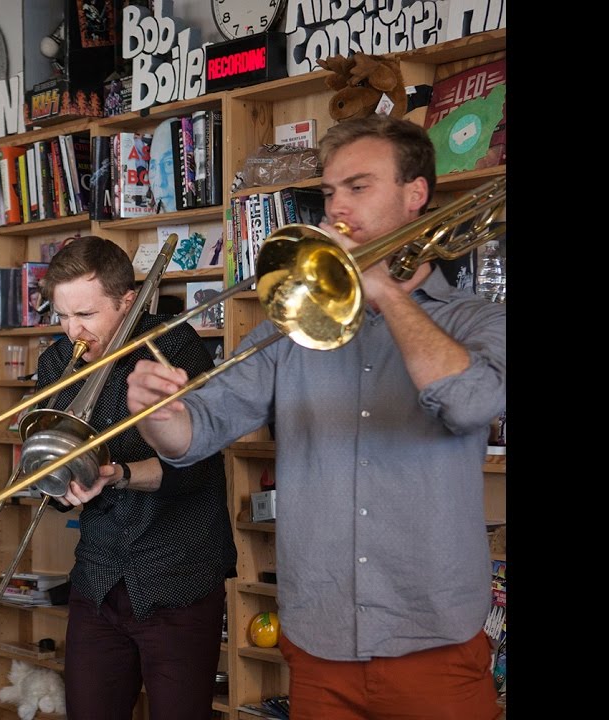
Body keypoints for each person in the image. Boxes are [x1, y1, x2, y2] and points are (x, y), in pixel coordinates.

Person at [125, 114, 506, 718]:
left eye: (359, 187)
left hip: (433, 645)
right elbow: (195, 433)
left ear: (416, 195)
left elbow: (471, 405)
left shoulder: (473, 321)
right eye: (330, 192)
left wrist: (384, 290)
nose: (337, 208)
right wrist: (155, 410)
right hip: (319, 645)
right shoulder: (292, 326)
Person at [31, 236, 235, 720]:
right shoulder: (57, 363)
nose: (72, 331)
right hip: (98, 579)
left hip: (178, 576)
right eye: (62, 316)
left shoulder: (176, 347)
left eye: (86, 315)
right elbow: (50, 465)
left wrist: (117, 474)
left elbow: (197, 467)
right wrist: (60, 485)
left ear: (127, 301)